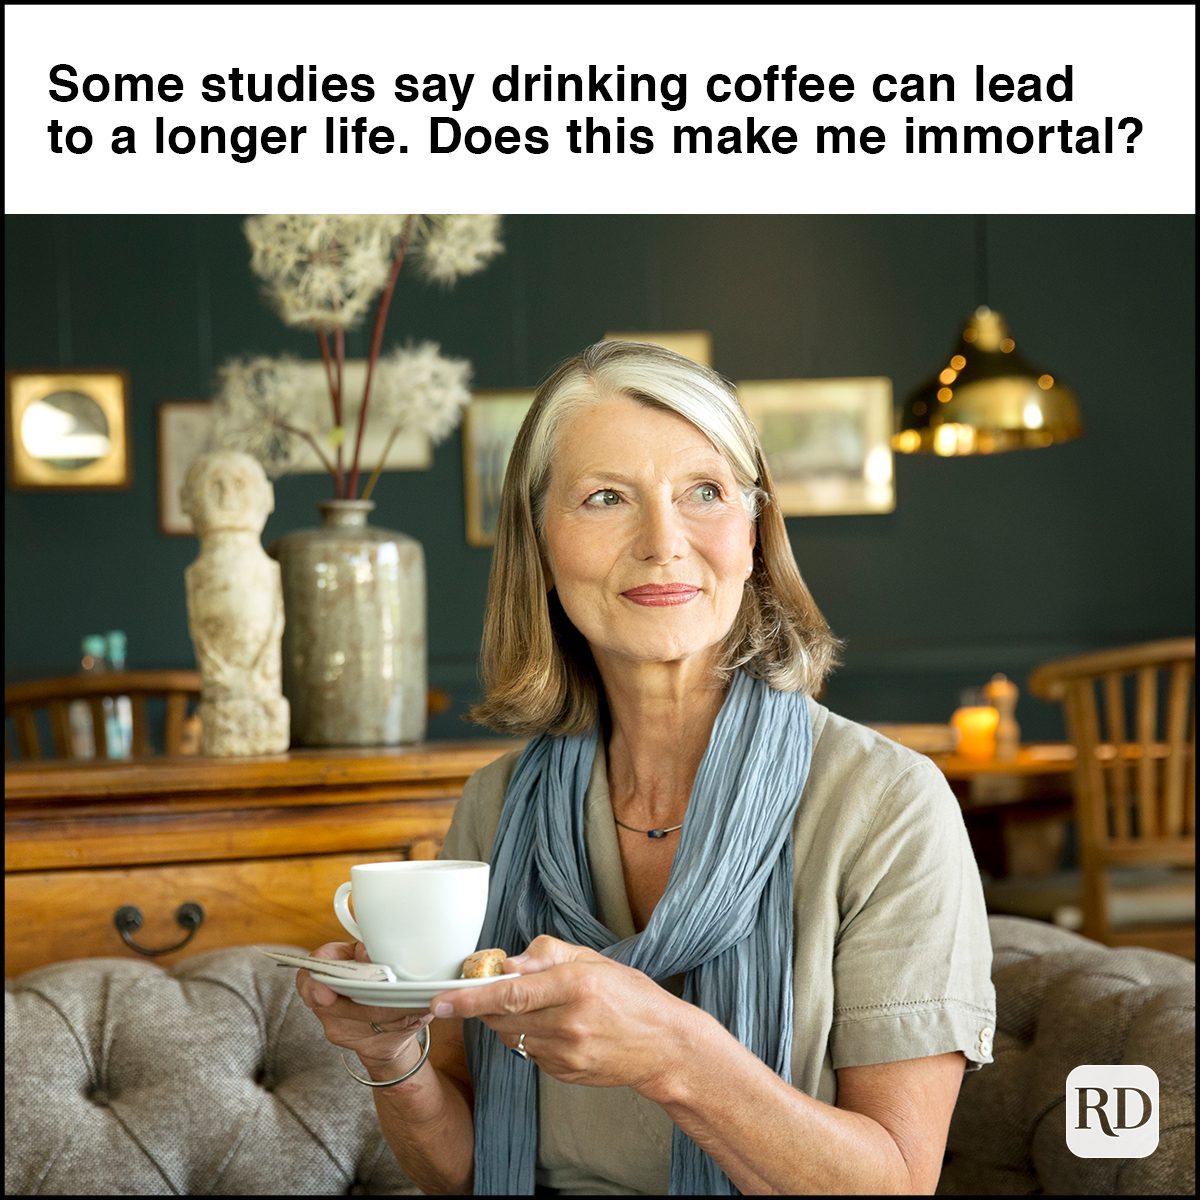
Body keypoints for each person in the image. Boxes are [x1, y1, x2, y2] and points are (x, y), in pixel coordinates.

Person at [297, 340, 996, 1195]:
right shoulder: (496, 806)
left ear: (752, 532)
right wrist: (391, 1057)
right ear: (540, 545)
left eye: (704, 492)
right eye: (604, 499)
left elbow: (895, 1182)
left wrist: (676, 1054)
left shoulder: (886, 803)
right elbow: (468, 1174)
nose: (664, 543)